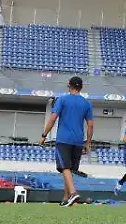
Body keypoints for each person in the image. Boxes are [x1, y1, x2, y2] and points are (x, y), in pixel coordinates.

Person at [40, 75, 95, 207]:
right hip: (78, 141)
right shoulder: (87, 103)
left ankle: (73, 192)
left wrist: (44, 135)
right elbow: (91, 125)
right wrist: (88, 142)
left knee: (64, 168)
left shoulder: (62, 100)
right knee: (69, 170)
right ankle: (66, 198)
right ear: (81, 87)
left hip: (64, 139)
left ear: (69, 85)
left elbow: (53, 118)